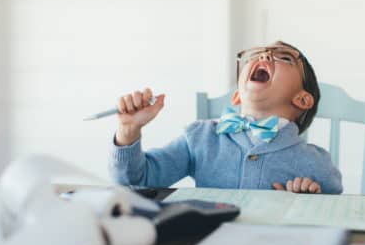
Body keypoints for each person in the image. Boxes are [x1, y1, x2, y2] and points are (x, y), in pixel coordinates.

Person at [109, 41, 342, 194]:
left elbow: (335, 206)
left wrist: (310, 200)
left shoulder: (315, 163)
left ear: (302, 100)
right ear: (237, 96)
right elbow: (134, 185)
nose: (265, 56)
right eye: (256, 54)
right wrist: (128, 132)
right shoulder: (200, 138)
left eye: (284, 57)